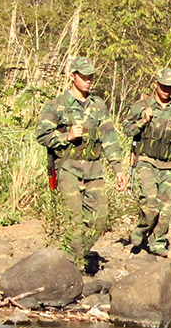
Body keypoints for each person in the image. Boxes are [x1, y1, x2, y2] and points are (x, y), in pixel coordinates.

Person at [36, 56, 129, 269]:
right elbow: (42, 136)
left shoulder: (98, 106)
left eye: (91, 77)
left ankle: (75, 254)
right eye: (84, 76)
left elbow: (109, 137)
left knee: (99, 218)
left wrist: (117, 168)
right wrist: (66, 136)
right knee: (74, 220)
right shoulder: (57, 105)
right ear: (72, 76)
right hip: (68, 167)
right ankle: (73, 264)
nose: (88, 81)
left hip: (94, 169)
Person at [122, 67, 171, 257]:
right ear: (155, 85)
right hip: (146, 161)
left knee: (166, 210)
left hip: (169, 165)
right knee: (150, 200)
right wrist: (143, 121)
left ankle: (157, 242)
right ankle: (140, 231)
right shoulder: (142, 106)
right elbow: (127, 130)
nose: (167, 90)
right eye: (164, 86)